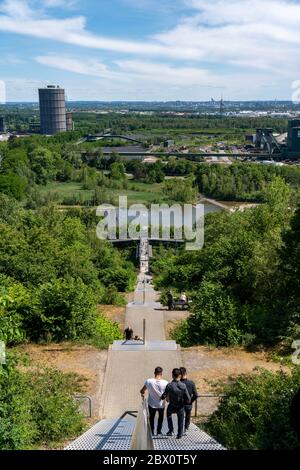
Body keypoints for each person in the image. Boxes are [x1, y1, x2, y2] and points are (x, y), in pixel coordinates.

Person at [161, 368, 191, 439]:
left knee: (168, 414)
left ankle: (171, 430)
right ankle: (179, 434)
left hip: (172, 406)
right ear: (180, 375)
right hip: (180, 406)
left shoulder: (169, 385)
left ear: (172, 375)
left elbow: (164, 396)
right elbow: (188, 399)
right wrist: (184, 401)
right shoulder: (183, 385)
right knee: (180, 420)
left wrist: (162, 397)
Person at [140, 367, 168, 436]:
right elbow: (167, 394)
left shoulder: (149, 381)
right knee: (160, 418)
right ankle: (159, 431)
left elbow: (142, 390)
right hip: (161, 404)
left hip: (151, 404)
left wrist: (142, 392)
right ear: (161, 373)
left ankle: (152, 431)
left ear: (154, 373)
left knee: (151, 418)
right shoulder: (165, 382)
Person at [180, 367, 198, 434]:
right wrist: (191, 401)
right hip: (188, 403)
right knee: (188, 415)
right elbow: (196, 395)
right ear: (186, 373)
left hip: (180, 403)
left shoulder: (178, 383)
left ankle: (180, 430)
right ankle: (186, 428)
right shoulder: (191, 383)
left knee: (180, 416)